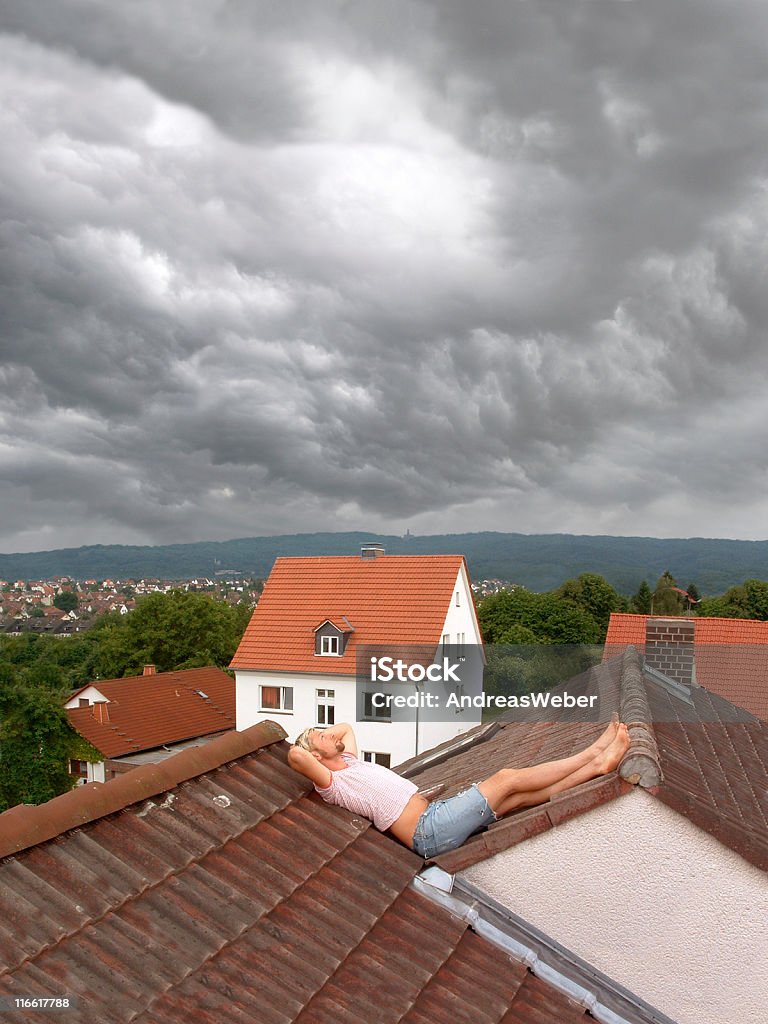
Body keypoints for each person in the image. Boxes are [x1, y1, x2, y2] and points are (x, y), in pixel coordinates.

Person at [287, 719, 630, 859]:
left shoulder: (350, 763)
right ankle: (592, 754)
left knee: (518, 797)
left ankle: (596, 768)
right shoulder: (333, 784)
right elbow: (294, 755)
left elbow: (345, 728)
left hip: (435, 816)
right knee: (506, 778)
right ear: (316, 754)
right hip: (428, 832)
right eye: (321, 736)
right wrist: (312, 745)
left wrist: (326, 736)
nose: (330, 733)